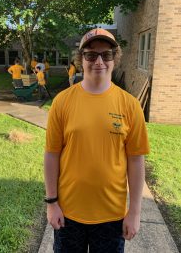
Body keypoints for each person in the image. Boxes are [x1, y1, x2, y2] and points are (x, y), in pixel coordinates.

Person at [44, 28, 150, 252]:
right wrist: (52, 203)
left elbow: (136, 160)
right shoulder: (62, 102)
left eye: (107, 54)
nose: (99, 61)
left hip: (111, 217)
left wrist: (135, 212)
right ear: (81, 59)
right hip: (69, 214)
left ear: (115, 58)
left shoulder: (130, 106)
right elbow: (52, 154)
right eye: (91, 55)